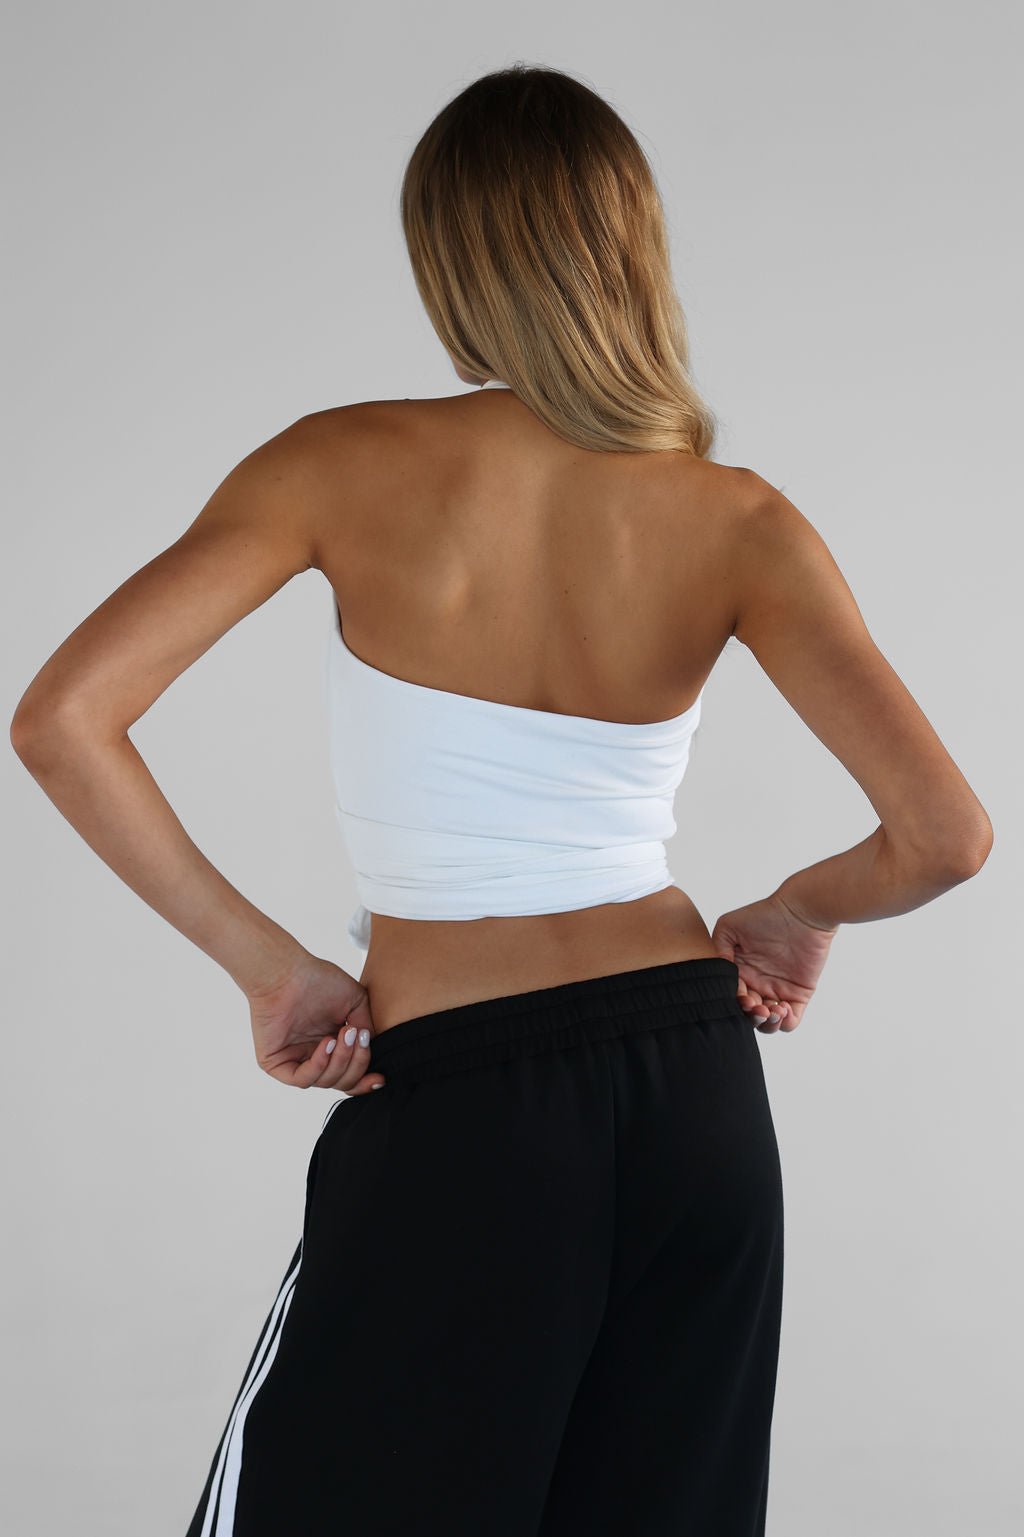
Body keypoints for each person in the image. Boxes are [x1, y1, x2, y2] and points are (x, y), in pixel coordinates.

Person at [10, 62, 992, 1537]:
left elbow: (63, 721)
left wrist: (271, 968)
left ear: (451, 260)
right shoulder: (741, 518)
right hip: (696, 1096)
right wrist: (798, 911)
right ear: (631, 248)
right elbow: (946, 837)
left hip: (467, 1104)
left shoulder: (340, 463)